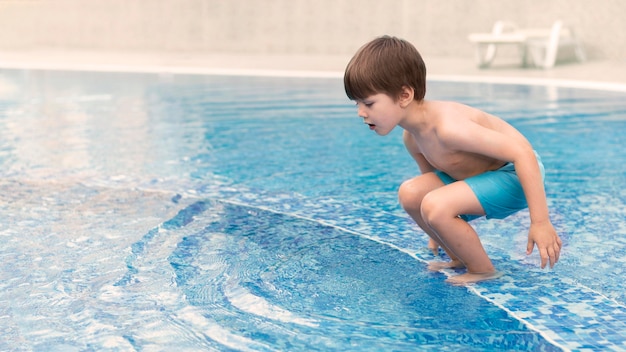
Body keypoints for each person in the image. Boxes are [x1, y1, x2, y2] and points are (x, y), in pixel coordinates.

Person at [343, 35, 562, 285]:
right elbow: (431, 187)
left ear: (404, 95)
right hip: (483, 178)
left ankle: (483, 270)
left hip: (516, 175)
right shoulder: (412, 138)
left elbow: (522, 152)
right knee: (411, 193)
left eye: (369, 103)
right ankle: (459, 257)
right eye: (357, 103)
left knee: (436, 206)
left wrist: (541, 222)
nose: (361, 112)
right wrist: (438, 230)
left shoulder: (449, 128)